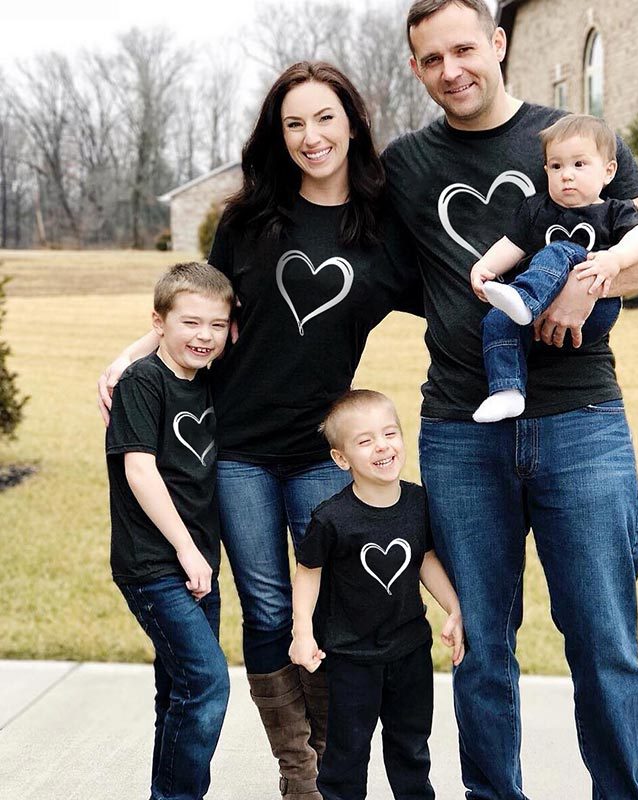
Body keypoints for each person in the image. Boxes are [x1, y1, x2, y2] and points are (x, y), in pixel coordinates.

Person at [382, 1, 638, 799]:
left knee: (602, 639)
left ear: (498, 43)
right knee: (481, 645)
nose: (452, 70)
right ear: (416, 68)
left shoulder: (575, 136)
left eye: (464, 49)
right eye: (432, 59)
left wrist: (591, 283)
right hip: (459, 430)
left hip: (581, 422)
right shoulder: (406, 164)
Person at [98, 62, 422, 800]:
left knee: (327, 605)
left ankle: (333, 761)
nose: (311, 137)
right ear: (279, 136)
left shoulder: (381, 233)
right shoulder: (251, 219)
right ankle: (297, 771)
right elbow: (197, 304)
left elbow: (456, 299)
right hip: (238, 451)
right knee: (270, 607)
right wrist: (125, 357)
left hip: (319, 454)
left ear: (353, 124)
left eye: (325, 119)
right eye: (294, 123)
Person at [289, 389, 464, 800]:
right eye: (365, 441)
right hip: (351, 657)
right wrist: (302, 633)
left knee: (411, 745)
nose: (382, 446)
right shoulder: (331, 518)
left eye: (390, 433)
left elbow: (423, 559)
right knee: (347, 753)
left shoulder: (418, 501)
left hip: (409, 650)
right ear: (342, 458)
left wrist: (454, 607)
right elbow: (307, 573)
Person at [106, 262, 233, 800]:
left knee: (177, 691)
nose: (204, 336)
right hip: (155, 565)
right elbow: (140, 470)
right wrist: (187, 550)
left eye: (217, 325)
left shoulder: (206, 381)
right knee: (207, 683)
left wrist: (198, 557)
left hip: (197, 565)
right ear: (158, 323)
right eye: (190, 323)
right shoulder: (142, 382)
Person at [470, 114, 638, 423]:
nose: (566, 175)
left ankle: (524, 300)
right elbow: (511, 244)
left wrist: (615, 259)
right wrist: (484, 267)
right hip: (536, 321)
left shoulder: (613, 210)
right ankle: (507, 392)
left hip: (594, 310)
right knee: (496, 320)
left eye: (579, 165)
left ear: (608, 172)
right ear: (546, 171)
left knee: (562, 250)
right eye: (556, 166)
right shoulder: (537, 209)